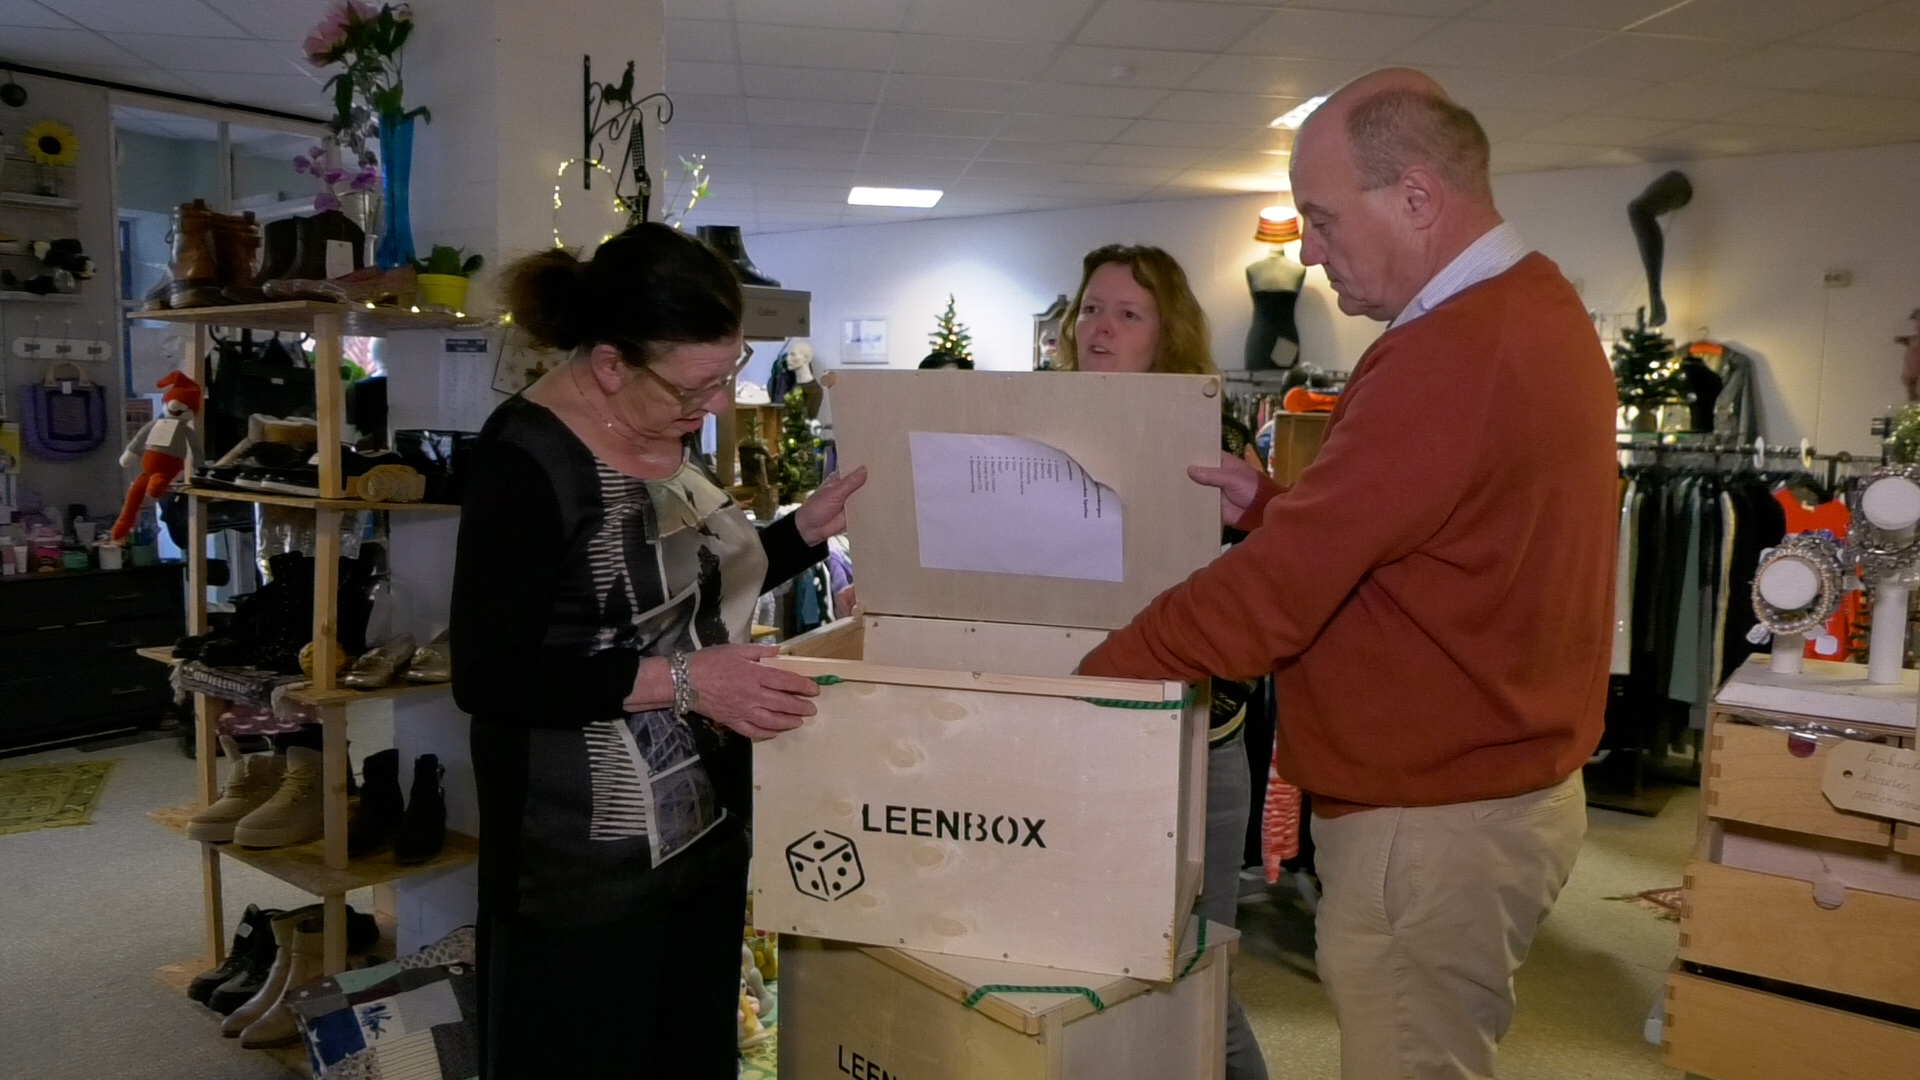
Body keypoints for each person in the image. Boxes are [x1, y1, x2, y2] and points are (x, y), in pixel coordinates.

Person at [1077, 68, 1618, 1080]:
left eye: (1322, 220)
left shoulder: (1452, 351)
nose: (1309, 253)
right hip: (1493, 788)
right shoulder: (1535, 308)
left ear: (1416, 198)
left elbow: (1272, 597)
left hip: (1435, 819)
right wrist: (1282, 509)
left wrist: (1092, 682)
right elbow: (1441, 547)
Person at [450, 223, 866, 1079]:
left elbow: (685, 585)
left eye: (729, 373)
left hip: (699, 838)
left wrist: (803, 535)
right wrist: (681, 682)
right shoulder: (523, 461)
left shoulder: (660, 434)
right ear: (610, 364)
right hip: (579, 867)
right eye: (698, 385)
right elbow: (489, 675)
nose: (715, 405)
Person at [1056, 243, 1269, 1080]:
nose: (1099, 329)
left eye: (1127, 313)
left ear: (1166, 333)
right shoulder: (1044, 426)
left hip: (1193, 745)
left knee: (1197, 985)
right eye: (1091, 310)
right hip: (1078, 738)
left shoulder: (1209, 446)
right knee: (1095, 970)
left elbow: (1249, 602)